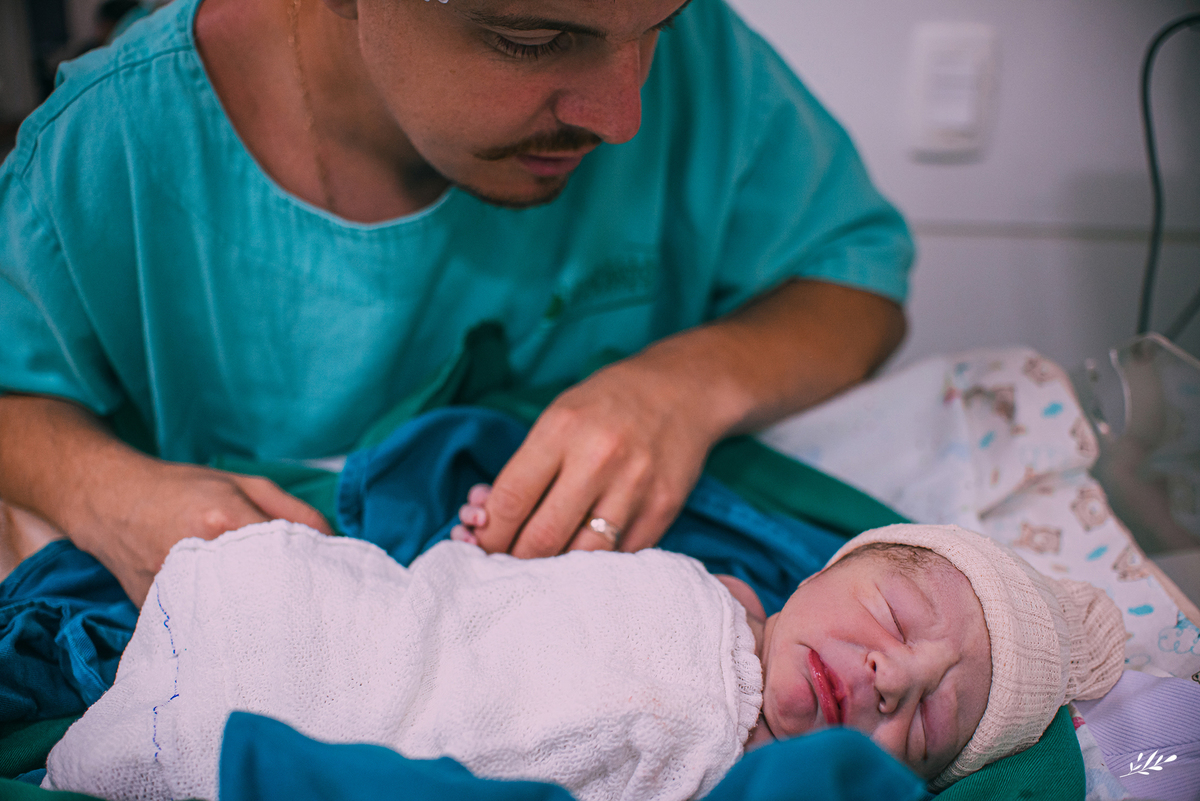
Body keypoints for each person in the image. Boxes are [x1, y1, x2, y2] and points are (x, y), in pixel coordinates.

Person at [0, 0, 911, 608]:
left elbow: (855, 278)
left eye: (657, 29)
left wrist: (681, 385)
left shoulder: (698, 58)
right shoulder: (110, 147)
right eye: (532, 40)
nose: (623, 115)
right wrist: (101, 486)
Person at [43, 522, 1125, 800]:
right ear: (824, 571)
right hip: (318, 621)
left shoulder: (752, 771)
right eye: (896, 609)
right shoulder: (719, 586)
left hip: (337, 742)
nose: (895, 675)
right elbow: (500, 595)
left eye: (928, 722)